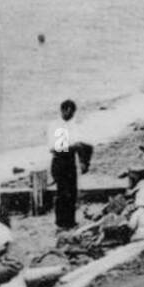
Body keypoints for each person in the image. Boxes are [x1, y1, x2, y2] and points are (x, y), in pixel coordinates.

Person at [47, 99, 90, 231]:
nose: (71, 115)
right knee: (63, 192)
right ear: (64, 110)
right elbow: (56, 148)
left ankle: (70, 221)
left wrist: (81, 157)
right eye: (70, 112)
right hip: (60, 161)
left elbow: (78, 144)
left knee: (72, 192)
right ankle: (61, 222)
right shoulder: (56, 126)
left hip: (70, 161)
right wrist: (74, 147)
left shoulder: (71, 125)